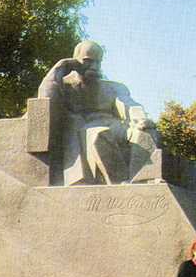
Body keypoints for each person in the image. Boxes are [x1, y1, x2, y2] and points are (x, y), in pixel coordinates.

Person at [38, 40, 159, 185]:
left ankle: (142, 180)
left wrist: (140, 118)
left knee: (145, 132)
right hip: (85, 127)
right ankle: (119, 186)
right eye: (88, 61)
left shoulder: (114, 87)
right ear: (75, 61)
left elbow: (129, 104)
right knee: (100, 135)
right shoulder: (65, 86)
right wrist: (61, 66)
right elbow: (45, 99)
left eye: (98, 62)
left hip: (115, 125)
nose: (94, 66)